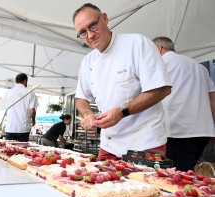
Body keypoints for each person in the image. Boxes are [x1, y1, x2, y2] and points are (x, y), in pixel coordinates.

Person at [73, 3, 172, 159]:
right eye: (83, 33)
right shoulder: (87, 61)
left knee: (144, 184)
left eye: (92, 26)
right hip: (108, 144)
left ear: (104, 18)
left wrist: (122, 112)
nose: (90, 35)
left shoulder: (137, 44)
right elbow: (80, 97)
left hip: (144, 141)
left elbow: (162, 89)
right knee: (101, 183)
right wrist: (87, 114)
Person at [152, 36, 215, 171]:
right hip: (203, 131)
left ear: (158, 48)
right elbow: (213, 98)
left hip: (179, 130)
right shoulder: (199, 66)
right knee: (186, 172)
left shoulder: (161, 64)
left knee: (176, 177)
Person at [3, 73, 37, 142]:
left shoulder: (8, 92)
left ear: (16, 81)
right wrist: (33, 120)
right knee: (22, 150)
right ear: (25, 81)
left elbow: (4, 110)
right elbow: (32, 111)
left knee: (9, 150)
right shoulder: (30, 92)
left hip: (11, 127)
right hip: (23, 128)